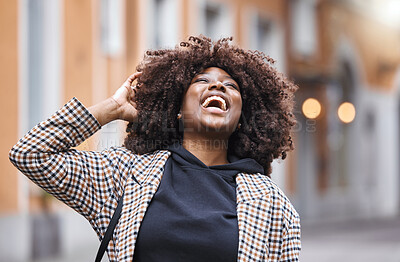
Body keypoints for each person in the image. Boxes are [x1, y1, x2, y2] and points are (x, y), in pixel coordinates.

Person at [9, 35, 301, 261]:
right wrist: (111, 109)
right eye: (202, 81)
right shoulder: (125, 174)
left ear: (241, 120)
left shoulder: (271, 203)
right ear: (177, 109)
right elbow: (31, 154)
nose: (218, 87)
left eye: (231, 85)